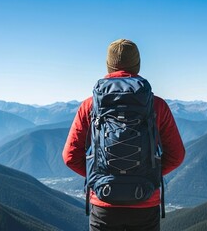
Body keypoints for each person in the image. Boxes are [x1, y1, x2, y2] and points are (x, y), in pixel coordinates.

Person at [62, 39, 185, 231]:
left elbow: (69, 157)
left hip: (104, 202)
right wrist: (148, 173)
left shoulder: (89, 106)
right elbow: (177, 155)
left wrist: (99, 176)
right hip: (145, 200)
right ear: (137, 66)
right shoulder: (157, 105)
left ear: (108, 66)